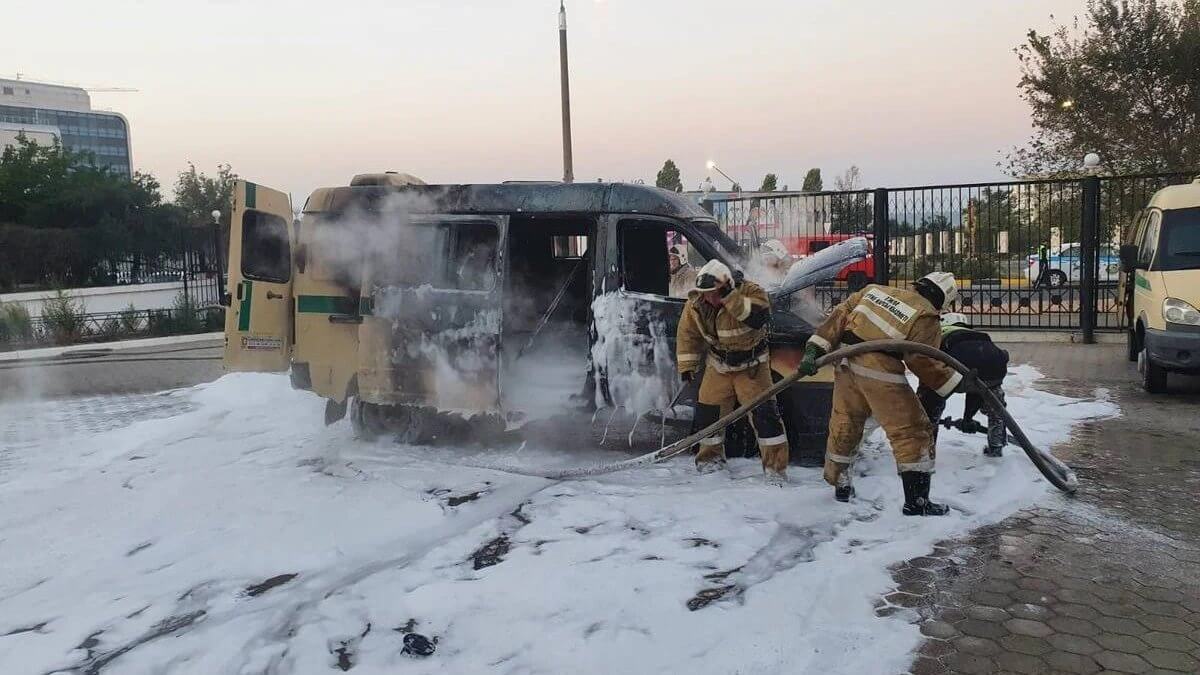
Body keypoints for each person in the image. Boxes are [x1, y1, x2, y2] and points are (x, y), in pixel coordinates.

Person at [797, 272, 964, 515]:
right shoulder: (926, 314)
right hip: (878, 368)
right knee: (912, 431)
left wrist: (815, 348)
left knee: (846, 421)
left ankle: (841, 485)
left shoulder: (874, 290)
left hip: (845, 361)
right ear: (942, 300)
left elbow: (840, 314)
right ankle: (917, 503)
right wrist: (954, 383)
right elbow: (922, 360)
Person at [676, 259, 790, 486]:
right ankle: (710, 461)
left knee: (765, 417)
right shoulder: (697, 302)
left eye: (714, 292)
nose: (709, 298)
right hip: (718, 365)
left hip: (752, 367)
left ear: (727, 286)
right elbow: (687, 334)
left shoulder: (751, 292)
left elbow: (757, 317)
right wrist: (687, 367)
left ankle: (775, 469)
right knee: (709, 415)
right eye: (705, 293)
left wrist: (731, 299)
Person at [917, 313, 1010, 457]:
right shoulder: (978, 335)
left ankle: (925, 453)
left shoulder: (941, 333)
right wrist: (968, 418)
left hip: (958, 371)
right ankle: (996, 446)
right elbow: (977, 383)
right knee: (996, 409)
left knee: (930, 406)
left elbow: (930, 368)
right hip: (995, 370)